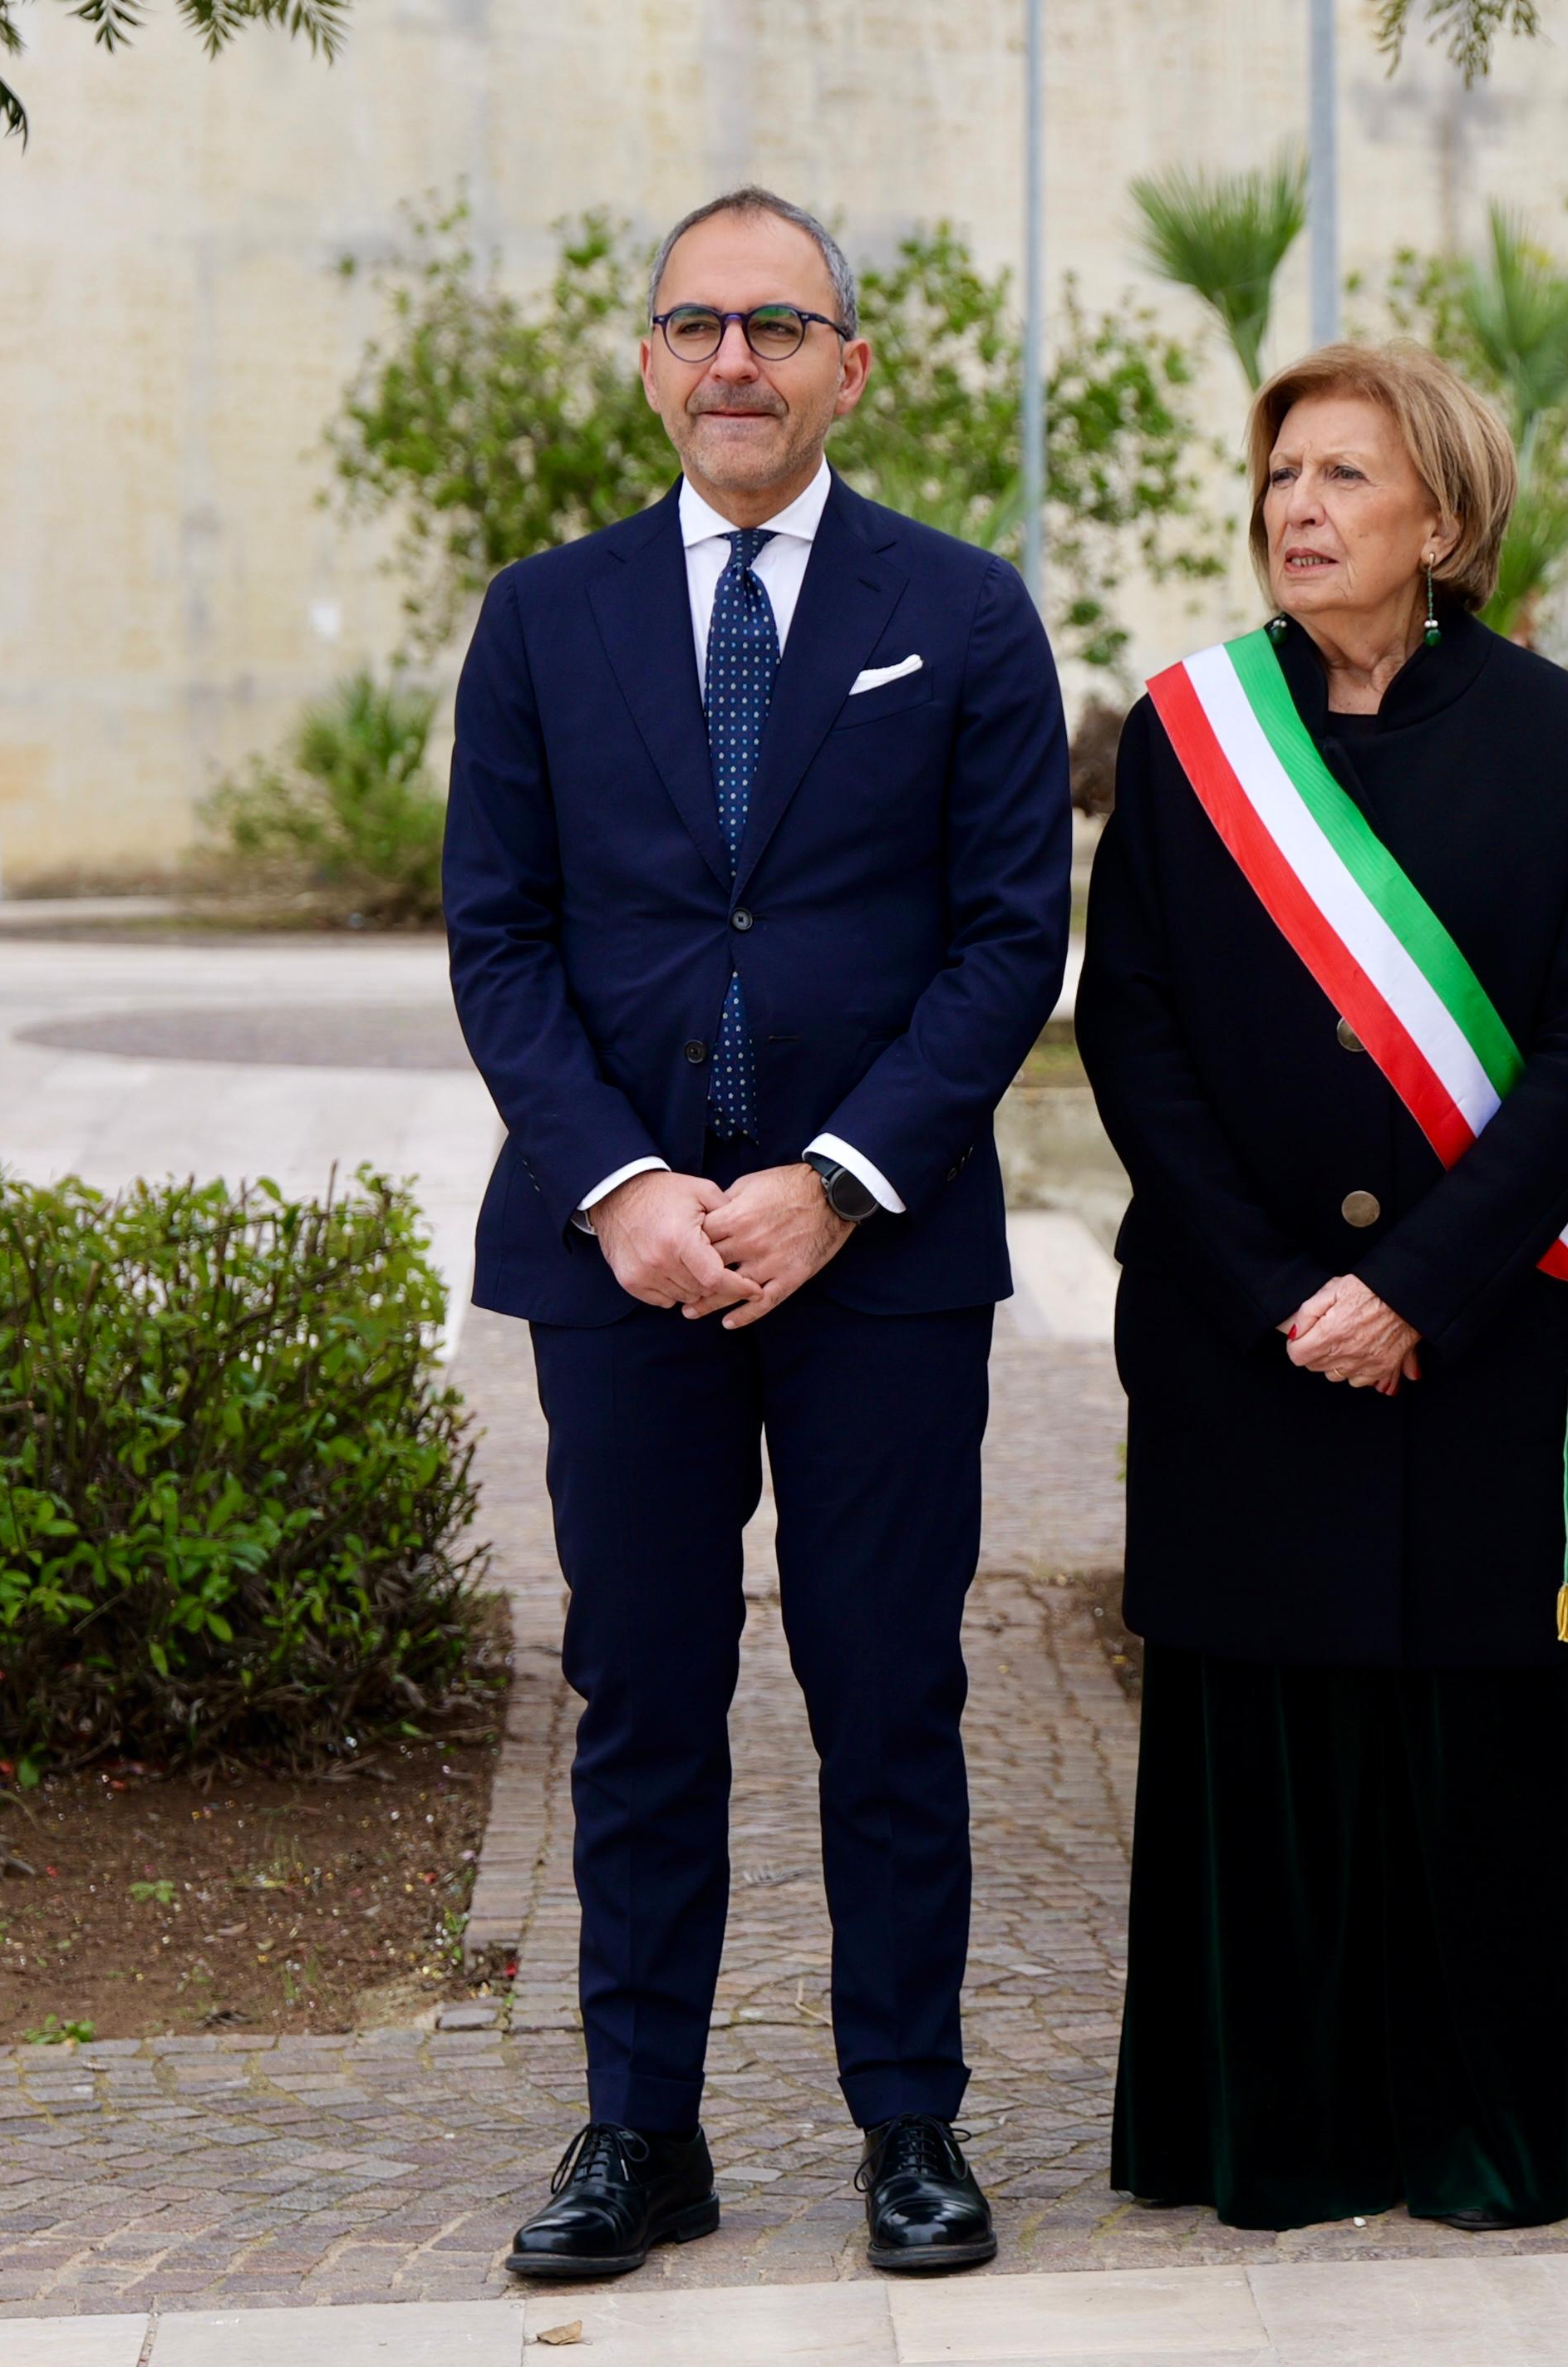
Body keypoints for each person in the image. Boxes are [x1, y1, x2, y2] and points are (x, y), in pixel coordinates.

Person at [445, 187, 1071, 2279]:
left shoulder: (964, 613)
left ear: (848, 367)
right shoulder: (542, 617)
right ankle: (643, 2127)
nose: (737, 360)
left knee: (889, 1686)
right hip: (616, 1256)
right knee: (638, 1694)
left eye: (779, 327)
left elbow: (1005, 940)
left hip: (879, 1257)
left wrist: (837, 1176)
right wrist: (619, 1184)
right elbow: (502, 937)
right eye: (699, 324)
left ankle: (911, 2121)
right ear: (649, 359)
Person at [1081, 340, 1568, 2233]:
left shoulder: (1552, 734)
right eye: (1280, 478)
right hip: (1245, 1340)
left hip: (1473, 1335)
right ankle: (1277, 2133)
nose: (1297, 511)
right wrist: (1277, 1288)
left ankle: (1481, 2133)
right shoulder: (1190, 734)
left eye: (1343, 476)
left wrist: (1414, 1279)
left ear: (1448, 518)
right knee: (1269, 1741)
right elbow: (1137, 1029)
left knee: (1472, 1742)